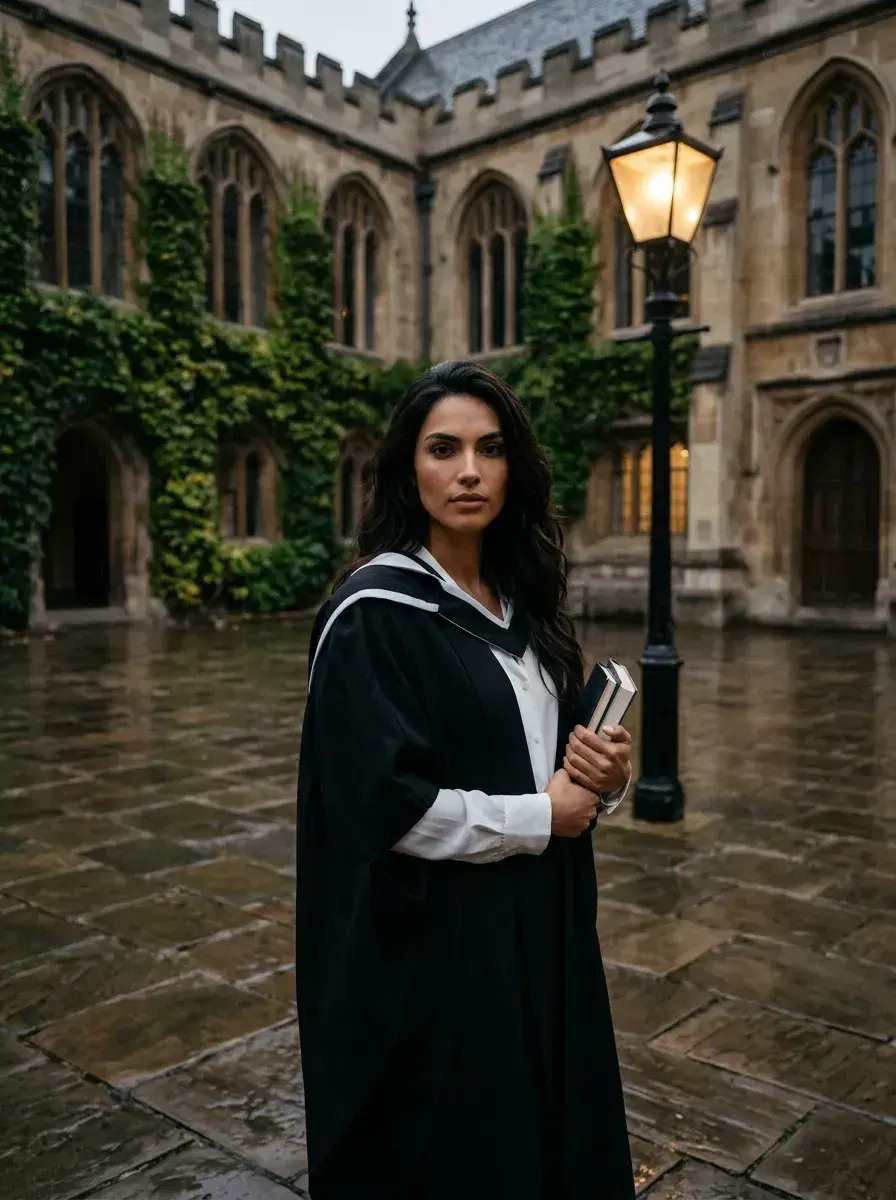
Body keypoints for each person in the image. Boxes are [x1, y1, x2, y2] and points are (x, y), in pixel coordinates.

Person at [297, 360, 635, 1200]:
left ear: (514, 464)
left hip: (542, 927)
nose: (469, 471)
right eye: (443, 448)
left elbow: (555, 773)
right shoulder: (373, 613)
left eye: (490, 448)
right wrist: (540, 817)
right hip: (440, 947)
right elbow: (382, 808)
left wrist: (606, 777)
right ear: (409, 468)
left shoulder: (525, 603)